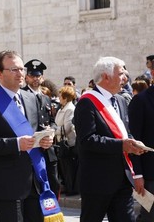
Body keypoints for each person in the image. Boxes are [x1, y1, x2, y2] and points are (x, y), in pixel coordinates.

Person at [0, 50, 55, 222]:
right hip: (7, 184)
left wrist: (46, 140)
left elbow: (36, 130)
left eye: (21, 69)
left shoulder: (30, 98)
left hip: (35, 181)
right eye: (14, 70)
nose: (20, 74)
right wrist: (16, 144)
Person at [73, 57, 146, 222]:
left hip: (123, 180)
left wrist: (134, 143)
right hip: (97, 181)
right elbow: (87, 140)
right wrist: (122, 145)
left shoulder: (120, 100)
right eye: (120, 73)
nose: (125, 78)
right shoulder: (86, 103)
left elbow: (124, 133)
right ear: (106, 76)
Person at [23, 59, 60, 198]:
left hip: (47, 148)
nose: (35, 79)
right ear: (27, 77)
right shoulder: (21, 96)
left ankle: (51, 213)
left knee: (53, 183)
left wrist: (51, 132)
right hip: (31, 148)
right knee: (34, 187)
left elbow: (53, 121)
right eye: (32, 76)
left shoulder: (46, 98)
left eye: (38, 76)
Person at [128, 59, 154, 222]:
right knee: (149, 217)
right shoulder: (141, 100)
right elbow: (135, 139)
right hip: (151, 174)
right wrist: (137, 174)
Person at [54, 86, 78, 195]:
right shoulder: (62, 108)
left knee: (69, 167)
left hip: (68, 143)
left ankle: (71, 188)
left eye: (60, 95)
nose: (59, 97)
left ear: (65, 97)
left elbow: (67, 128)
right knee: (63, 167)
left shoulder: (70, 109)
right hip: (60, 141)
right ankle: (67, 187)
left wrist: (53, 130)